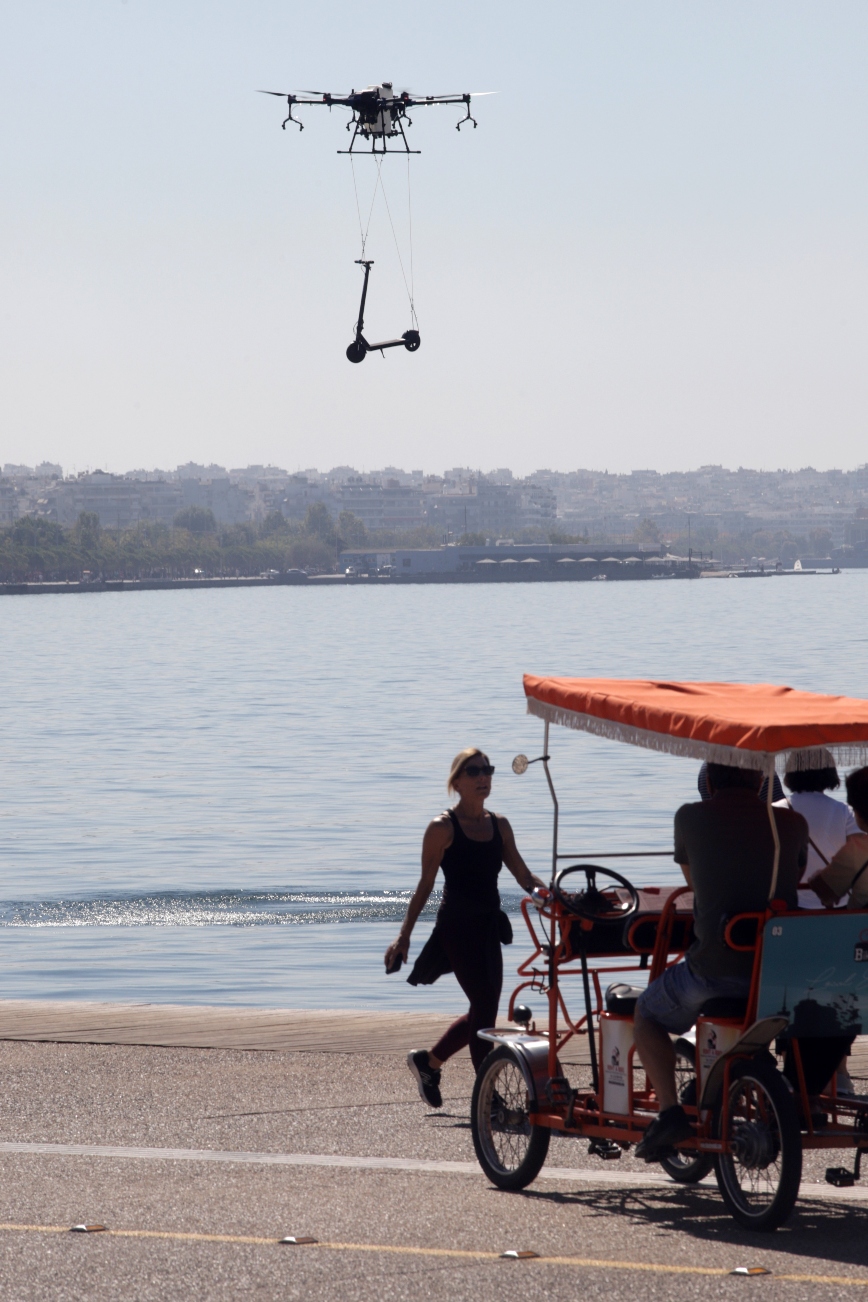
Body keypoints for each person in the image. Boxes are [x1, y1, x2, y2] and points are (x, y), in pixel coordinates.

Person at [633, 762, 808, 1160]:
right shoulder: (793, 823)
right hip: (777, 975)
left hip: (714, 971)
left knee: (646, 1011)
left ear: (709, 782)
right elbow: (793, 878)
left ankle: (669, 1112)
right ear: (761, 780)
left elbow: (694, 882)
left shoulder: (689, 817)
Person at [384, 747, 544, 1108]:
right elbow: (425, 885)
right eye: (474, 772)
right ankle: (489, 1099)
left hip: (488, 927)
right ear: (456, 782)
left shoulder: (500, 825)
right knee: (484, 1006)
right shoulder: (442, 828)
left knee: (483, 1011)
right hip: (456, 928)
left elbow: (523, 875)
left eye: (487, 770)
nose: (483, 777)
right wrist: (404, 936)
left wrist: (552, 897)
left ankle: (428, 1063)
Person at [774, 750, 860, 881]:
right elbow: (858, 857)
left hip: (789, 891)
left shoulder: (774, 810)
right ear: (829, 772)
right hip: (832, 891)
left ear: (790, 772)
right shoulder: (846, 811)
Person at [811, 767, 868, 910]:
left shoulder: (856, 850)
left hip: (859, 923)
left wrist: (815, 877)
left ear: (860, 811)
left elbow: (825, 891)